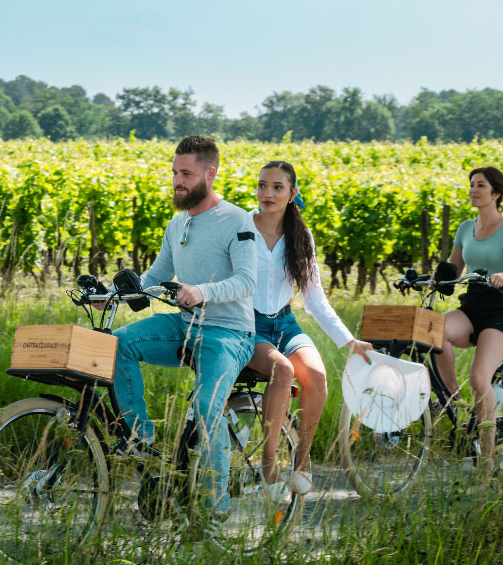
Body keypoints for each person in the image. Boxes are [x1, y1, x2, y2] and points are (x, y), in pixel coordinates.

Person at [110, 135, 257, 524]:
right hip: (184, 324)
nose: (177, 180)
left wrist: (200, 291)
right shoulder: (177, 223)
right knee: (118, 343)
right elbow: (156, 275)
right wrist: (109, 294)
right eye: (175, 172)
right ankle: (139, 438)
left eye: (186, 173)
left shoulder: (238, 220)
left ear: (210, 173)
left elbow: (246, 281)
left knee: (208, 407)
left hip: (228, 333)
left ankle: (214, 514)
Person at [246, 160, 373, 504]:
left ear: (292, 193)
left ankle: (302, 459)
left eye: (277, 187)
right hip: (250, 326)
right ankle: (269, 462)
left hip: (285, 324)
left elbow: (314, 299)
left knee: (316, 375)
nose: (267, 194)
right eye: (262, 186)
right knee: (282, 371)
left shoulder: (301, 236)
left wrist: (348, 339)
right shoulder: (242, 227)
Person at [434, 166, 503, 475]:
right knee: (435, 332)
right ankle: (458, 407)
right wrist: (433, 279)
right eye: (472, 185)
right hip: (472, 303)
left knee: (479, 377)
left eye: (481, 186)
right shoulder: (465, 227)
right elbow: (454, 270)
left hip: (502, 309)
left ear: (496, 193)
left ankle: (488, 462)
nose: (474, 190)